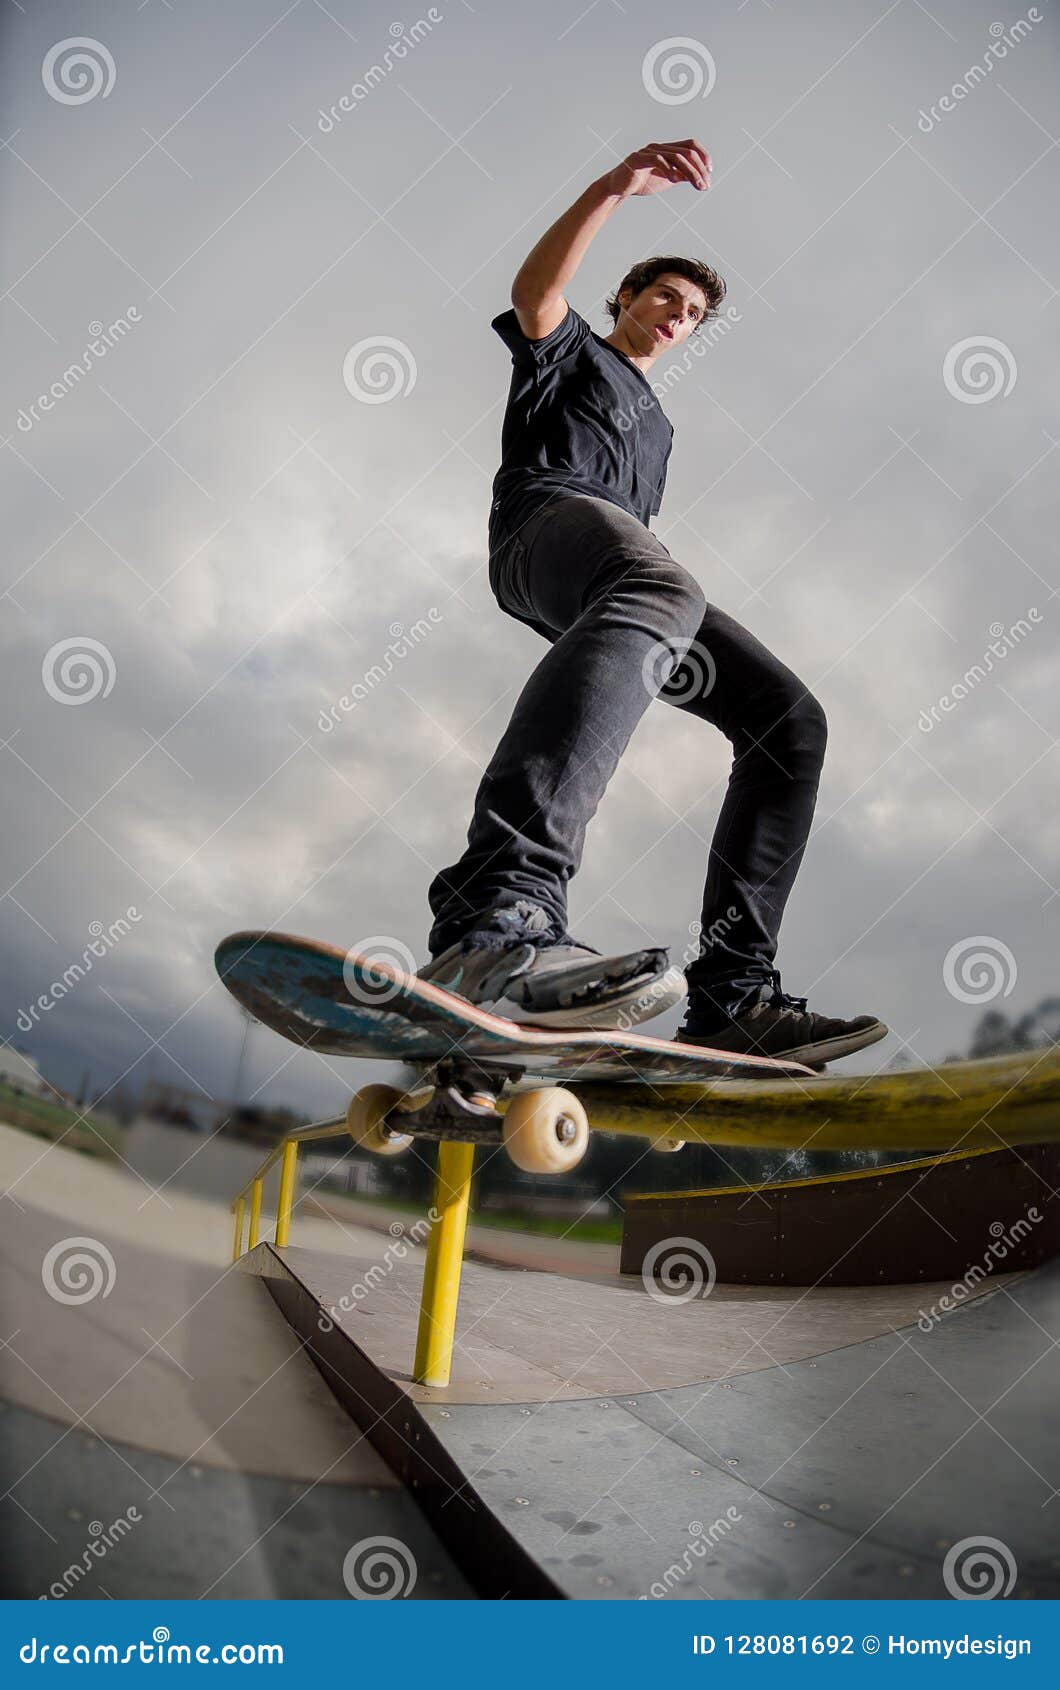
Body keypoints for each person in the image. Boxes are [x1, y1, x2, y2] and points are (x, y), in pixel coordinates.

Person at [420, 139, 886, 1065]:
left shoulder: (660, 428)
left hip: (626, 582)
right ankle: (498, 915)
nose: (680, 313)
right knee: (659, 579)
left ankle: (733, 995)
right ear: (626, 299)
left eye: (696, 311)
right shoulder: (571, 353)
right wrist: (612, 189)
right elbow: (535, 294)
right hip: (542, 533)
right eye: (666, 295)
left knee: (788, 721)